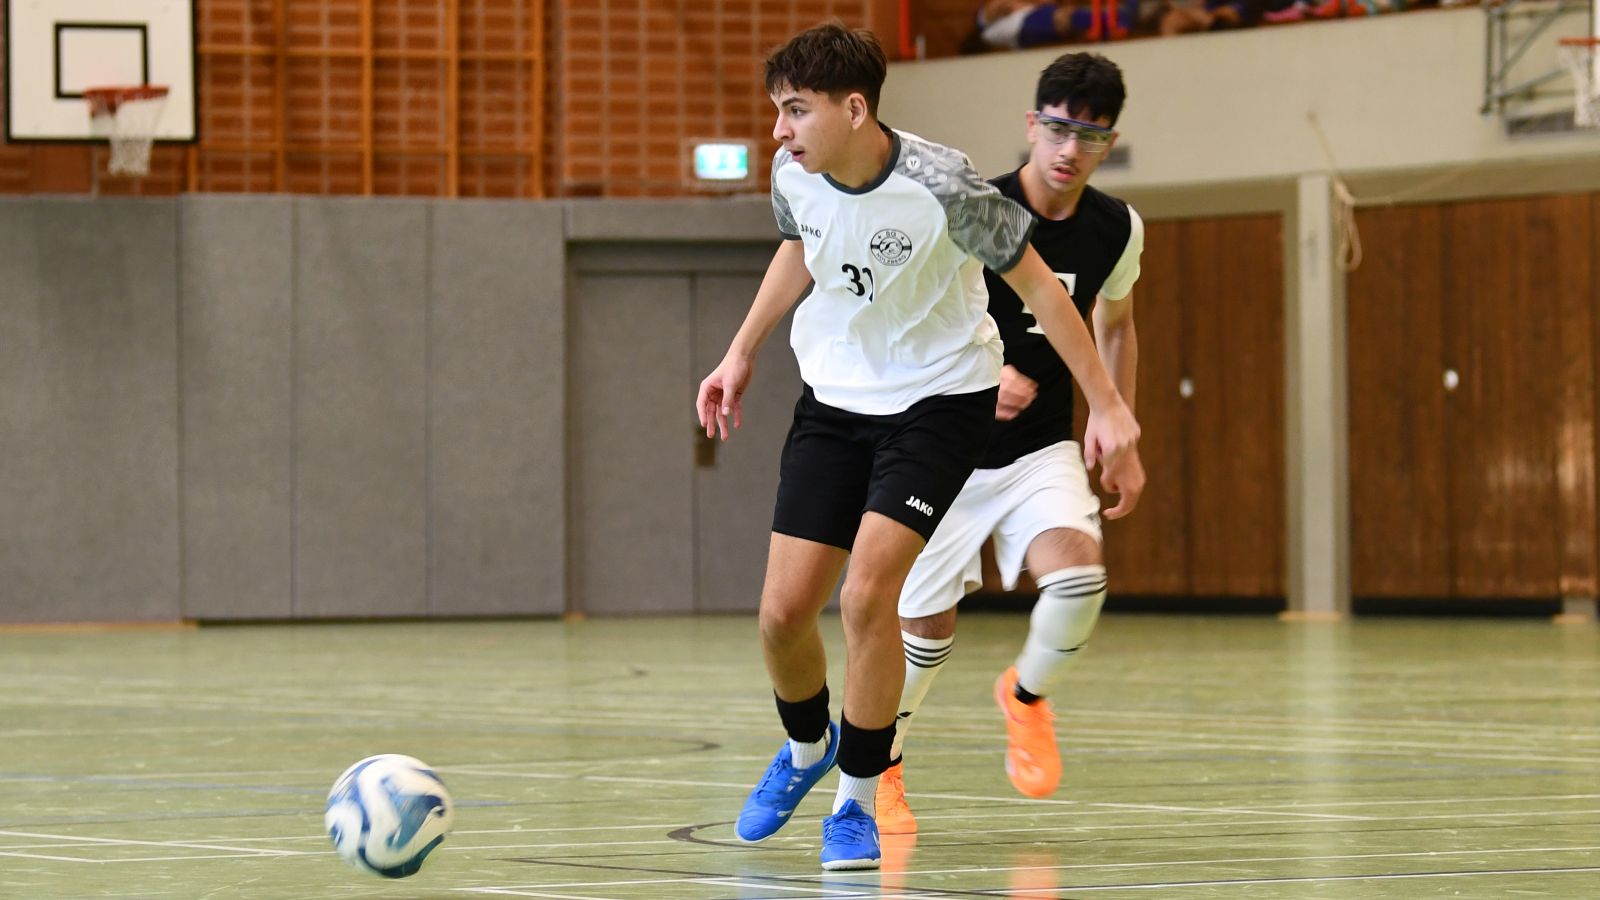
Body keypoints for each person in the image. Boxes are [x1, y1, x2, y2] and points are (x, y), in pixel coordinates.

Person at [695, 25, 1140, 870]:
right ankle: (806, 748)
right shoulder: (794, 172)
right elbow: (800, 247)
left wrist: (1109, 405)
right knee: (782, 616)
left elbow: (1045, 293)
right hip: (834, 404)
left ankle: (857, 801)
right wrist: (741, 349)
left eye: (796, 110)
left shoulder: (946, 184)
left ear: (854, 109)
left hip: (940, 404)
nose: (780, 130)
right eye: (778, 110)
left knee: (868, 597)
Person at [872, 52, 1147, 836]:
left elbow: (1117, 325)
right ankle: (884, 764)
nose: (1070, 149)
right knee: (921, 639)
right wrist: (981, 375)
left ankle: (1025, 698)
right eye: (1057, 129)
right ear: (1031, 124)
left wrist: (1114, 419)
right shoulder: (975, 209)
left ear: (1109, 143)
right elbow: (908, 320)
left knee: (1080, 579)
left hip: (1038, 449)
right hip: (943, 450)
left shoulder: (1117, 229)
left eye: (1090, 136)